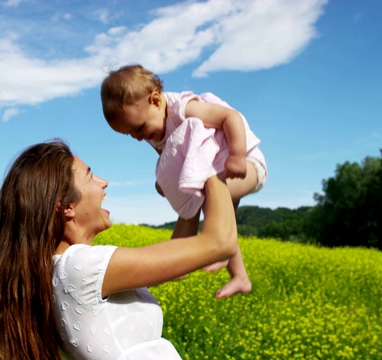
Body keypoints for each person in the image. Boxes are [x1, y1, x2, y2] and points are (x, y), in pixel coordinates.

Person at [0, 139, 238, 360]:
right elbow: (220, 242)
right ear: (66, 207)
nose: (104, 182)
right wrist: (204, 161)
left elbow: (178, 269)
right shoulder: (80, 268)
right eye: (90, 176)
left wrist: (185, 196)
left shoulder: (59, 272)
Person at [100, 64, 268, 299]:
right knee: (197, 200)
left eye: (139, 128)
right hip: (217, 172)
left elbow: (230, 117)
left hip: (247, 164)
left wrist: (238, 155)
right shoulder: (154, 127)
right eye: (131, 134)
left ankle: (238, 273)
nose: (139, 138)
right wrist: (164, 183)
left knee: (208, 198)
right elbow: (172, 157)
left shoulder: (184, 109)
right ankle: (188, 259)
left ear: (156, 101)